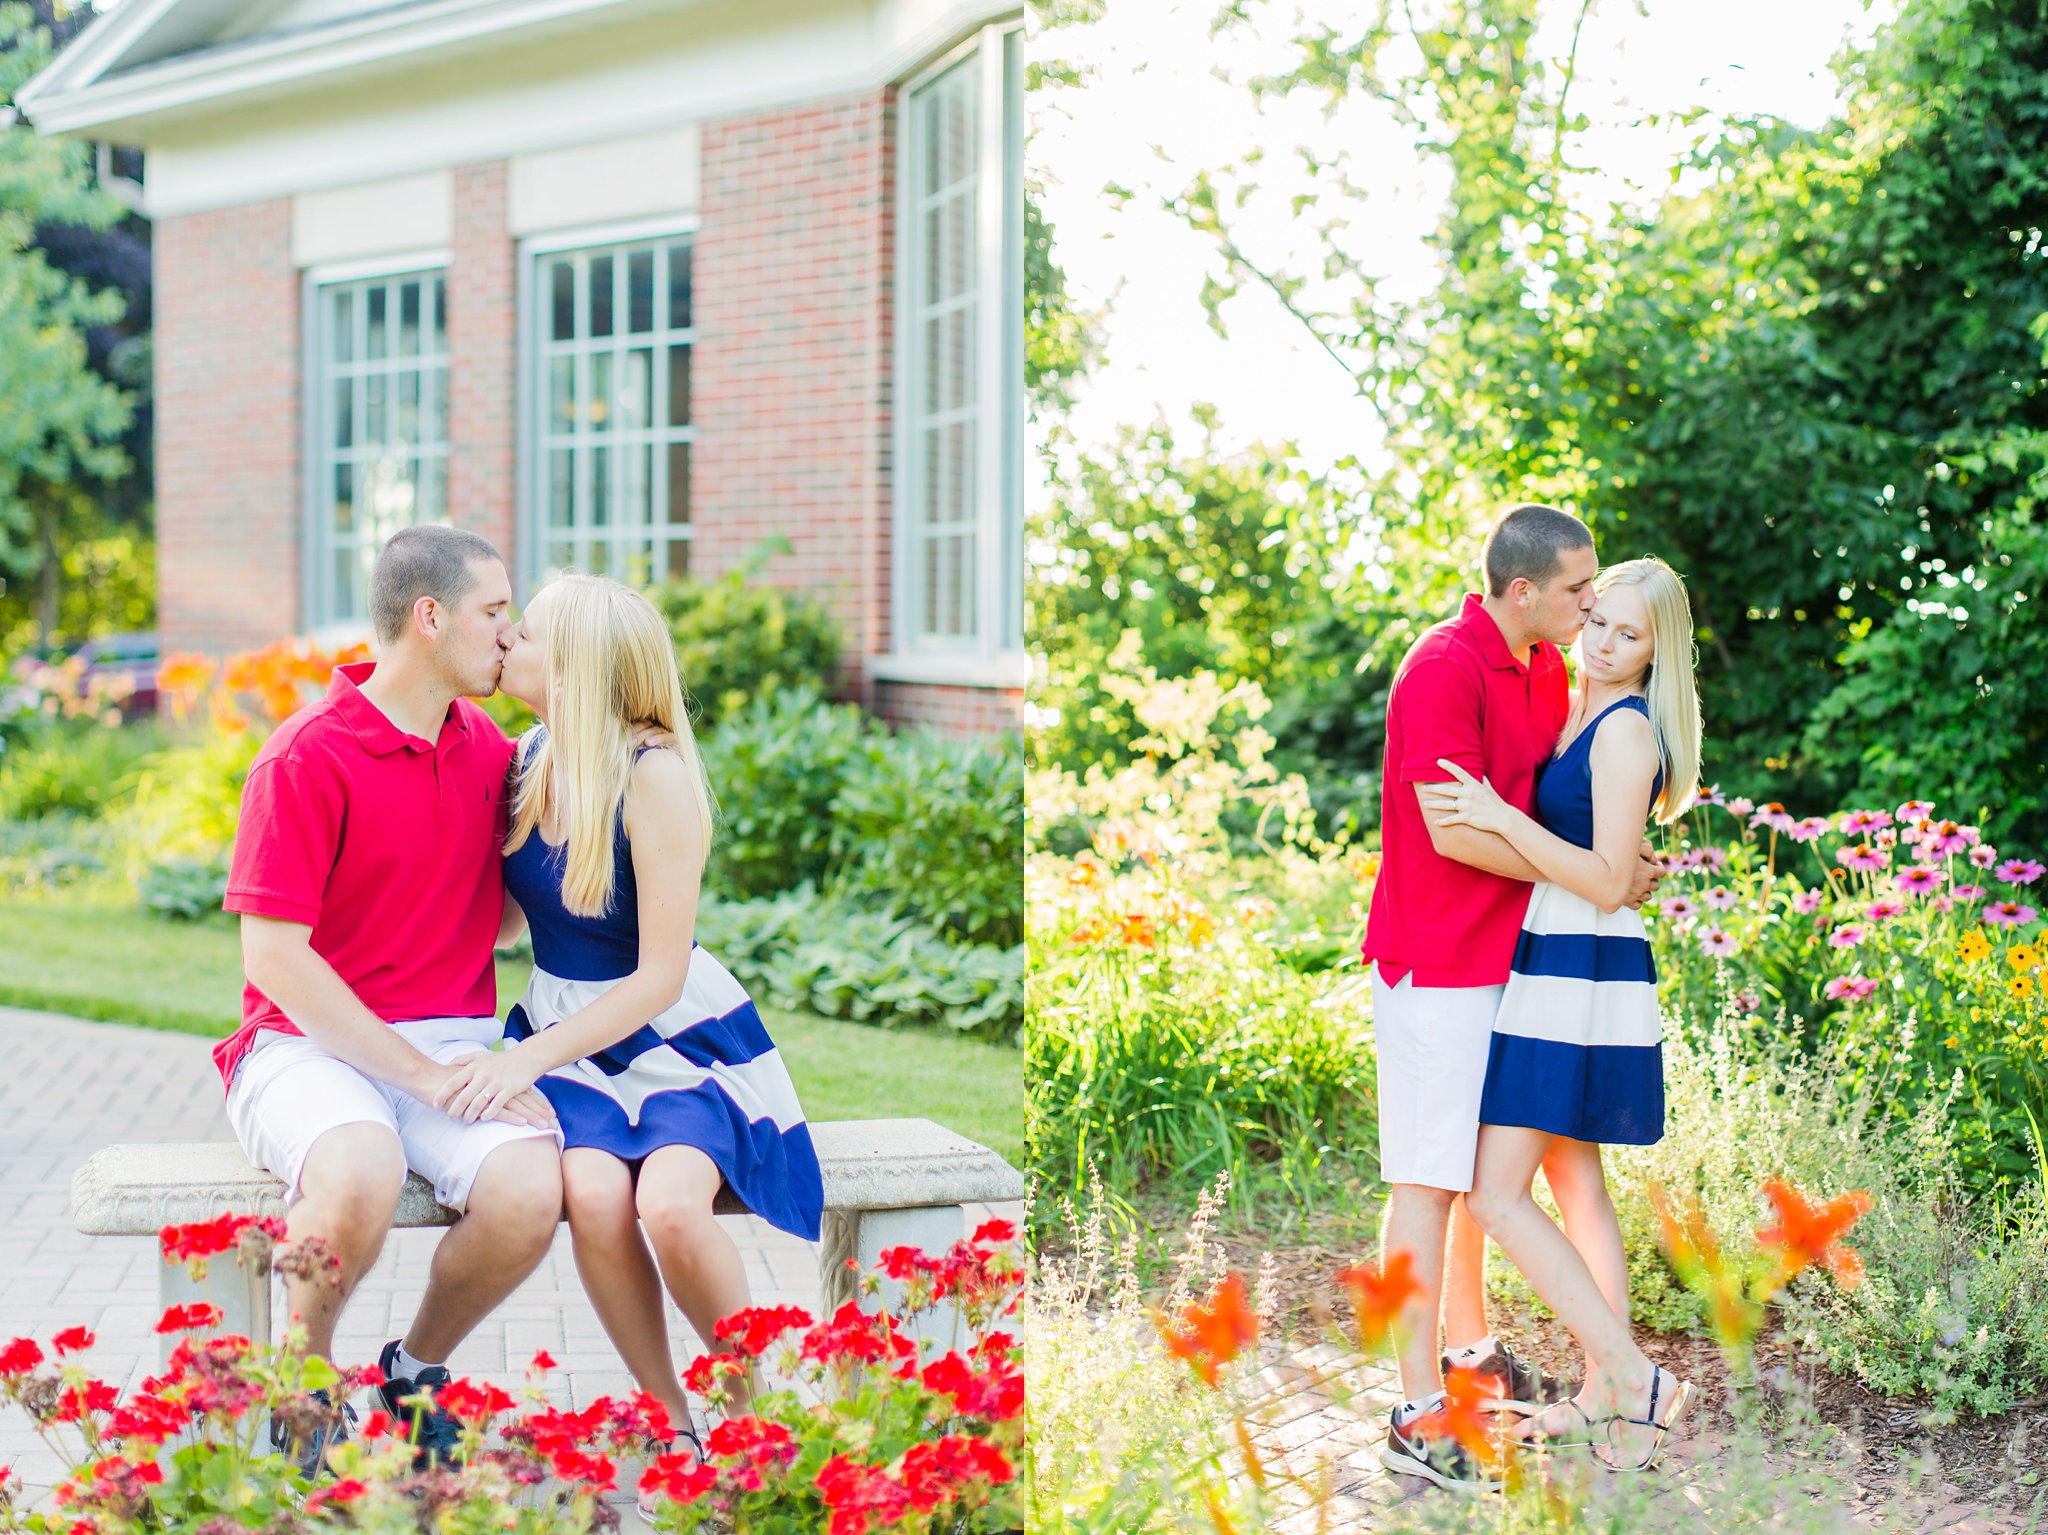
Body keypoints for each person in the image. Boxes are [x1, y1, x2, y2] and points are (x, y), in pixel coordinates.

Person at [433, 573, 824, 1496]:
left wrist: (522, 1057)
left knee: (674, 1207)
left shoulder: (655, 776)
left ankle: (766, 1418)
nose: (504, 643)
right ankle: (670, 1424)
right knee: (597, 1195)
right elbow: (500, 924)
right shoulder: (527, 760)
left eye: (520, 633)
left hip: (673, 1032)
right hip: (572, 1031)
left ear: (572, 665)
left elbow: (661, 974)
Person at [220, 526, 566, 1473]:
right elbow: (276, 960)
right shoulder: (304, 756)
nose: (510, 634)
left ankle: (412, 1371)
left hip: (448, 1041)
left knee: (533, 1188)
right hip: (301, 1046)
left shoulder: (490, 748)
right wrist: (418, 1071)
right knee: (364, 1170)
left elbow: (494, 925)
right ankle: (301, 1384)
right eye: (495, 612)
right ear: (430, 616)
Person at [1361, 503, 1664, 1490]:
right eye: (1579, 589)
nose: (1592, 603)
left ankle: (1467, 1359)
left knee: (1482, 1178)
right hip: (1436, 962)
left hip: (1517, 965)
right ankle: (1415, 1411)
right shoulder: (1441, 670)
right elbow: (1453, 831)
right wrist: (1595, 874)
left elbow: (1544, 808)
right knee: (1425, 1181)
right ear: (1522, 588)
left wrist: (1605, 862)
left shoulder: (1543, 666)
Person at [1422, 556, 1701, 1470]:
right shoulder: (1578, 710)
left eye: (1631, 634)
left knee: (1496, 1191)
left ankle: (1632, 1380)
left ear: (1658, 653)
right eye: (1600, 620)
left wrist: (1501, 815)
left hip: (1578, 973)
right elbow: (1610, 861)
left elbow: (1608, 880)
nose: (1606, 641)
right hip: (1558, 958)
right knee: (1574, 1178)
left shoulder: (1624, 733)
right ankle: (1605, 1399)